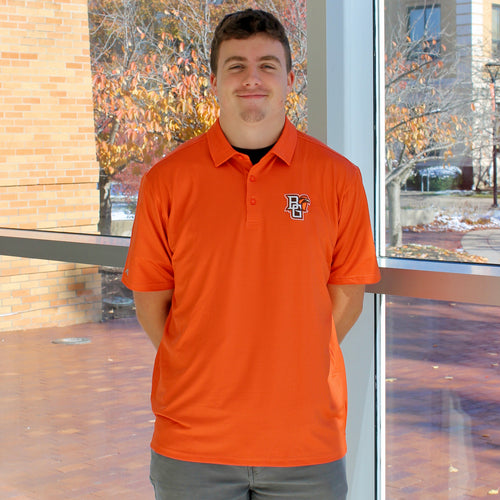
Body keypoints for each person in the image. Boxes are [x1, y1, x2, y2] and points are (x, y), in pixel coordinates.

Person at [122, 8, 380, 500]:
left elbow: (347, 296)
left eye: (267, 65)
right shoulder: (166, 181)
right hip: (193, 444)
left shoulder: (339, 179)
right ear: (214, 82)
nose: (251, 79)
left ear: (289, 79)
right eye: (236, 66)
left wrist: (293, 357)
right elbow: (151, 301)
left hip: (307, 441)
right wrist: (205, 359)